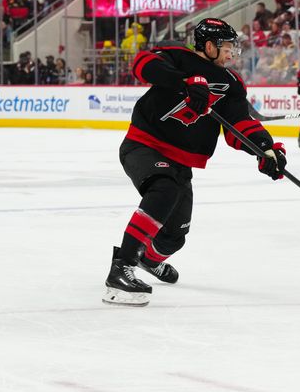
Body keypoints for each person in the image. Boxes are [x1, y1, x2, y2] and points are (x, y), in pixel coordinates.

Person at [103, 18, 288, 306]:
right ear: (210, 46)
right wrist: (183, 82)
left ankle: (148, 260)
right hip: (144, 146)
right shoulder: (178, 57)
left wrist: (265, 150)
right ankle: (121, 268)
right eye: (227, 47)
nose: (232, 53)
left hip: (181, 162)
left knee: (174, 237)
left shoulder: (231, 82)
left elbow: (239, 125)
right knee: (164, 190)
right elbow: (142, 63)